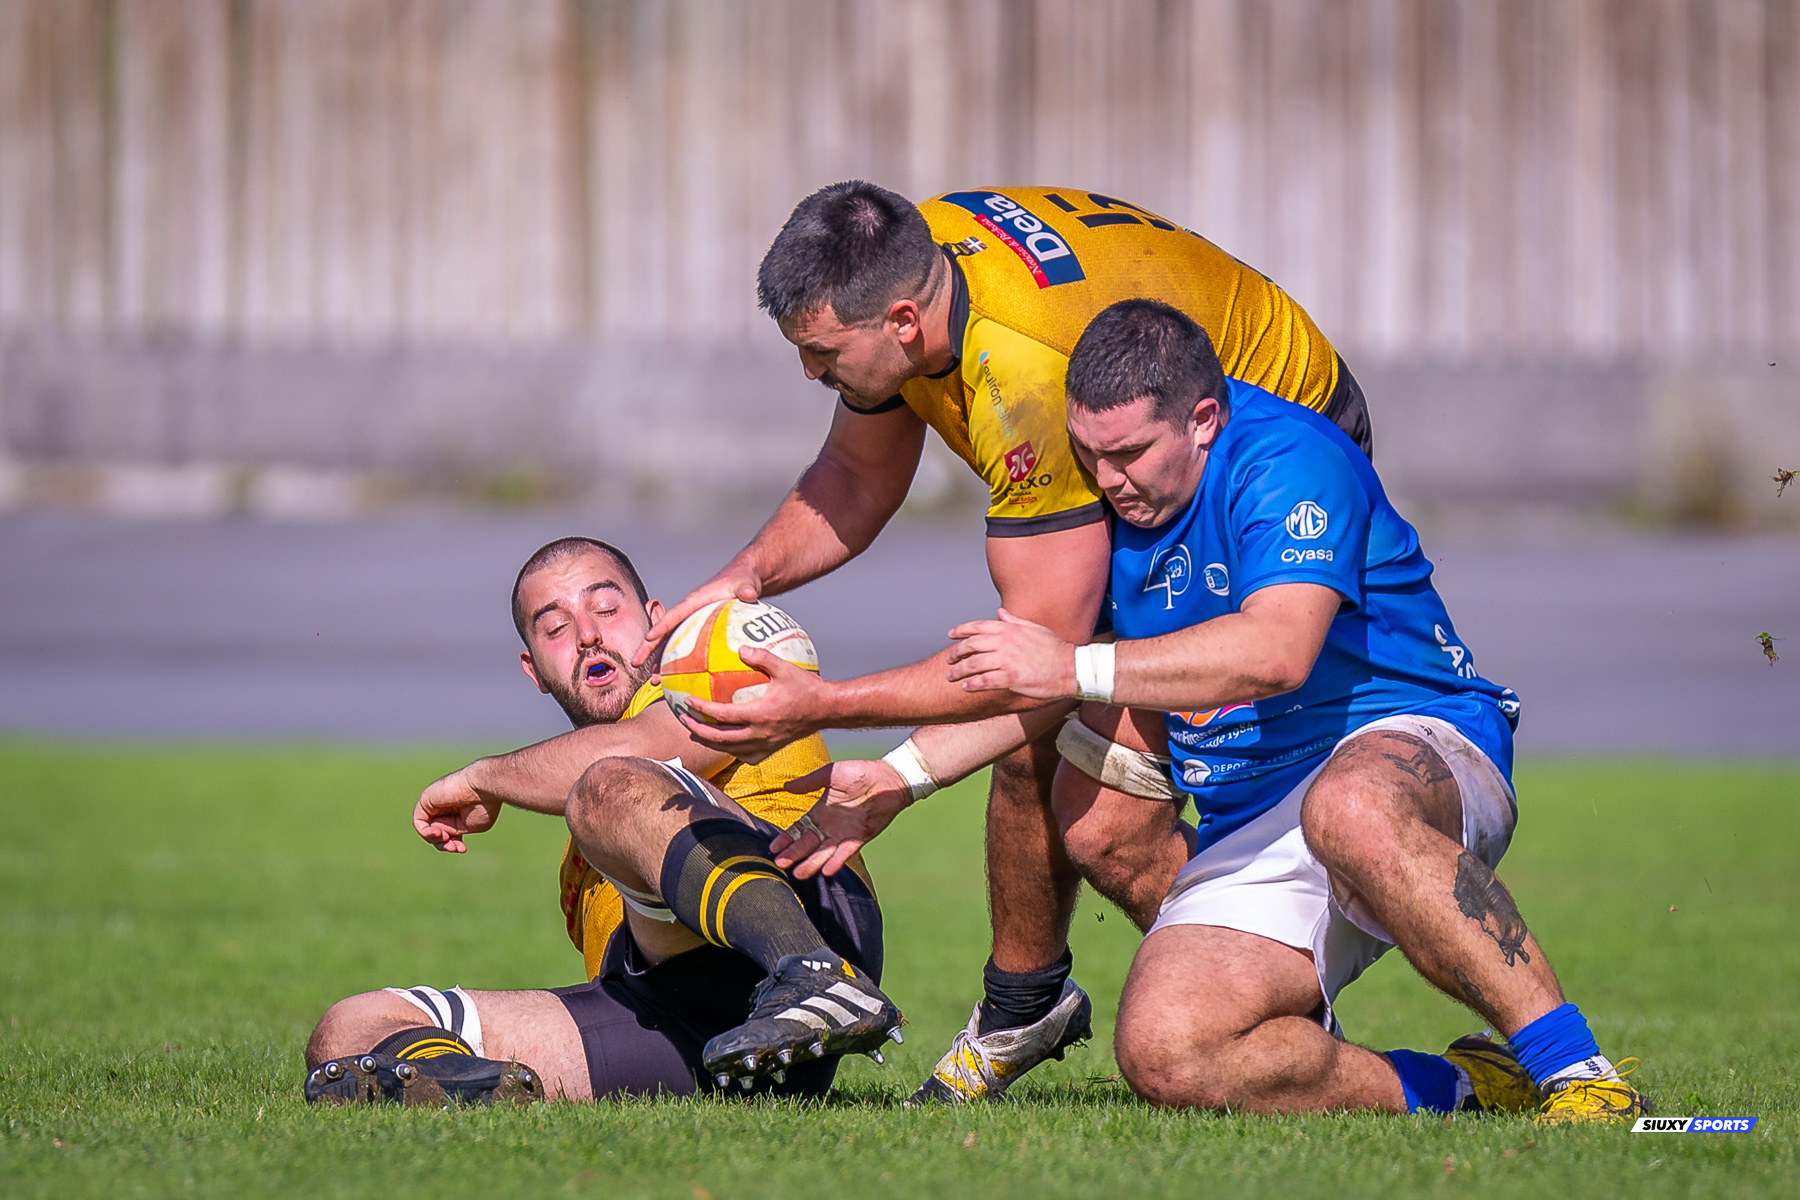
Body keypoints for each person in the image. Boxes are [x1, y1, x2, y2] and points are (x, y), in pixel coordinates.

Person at [637, 181, 1374, 1102]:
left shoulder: (1026, 381)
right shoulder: (915, 255)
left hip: (1255, 435)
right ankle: (1031, 1000)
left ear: (903, 320)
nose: (809, 375)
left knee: (1096, 807)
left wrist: (839, 720)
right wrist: (740, 579)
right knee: (1076, 784)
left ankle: (1278, 1034)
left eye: (821, 353)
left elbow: (1036, 665)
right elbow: (859, 473)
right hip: (1159, 404)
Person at [856, 299, 1645, 1122]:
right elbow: (1030, 683)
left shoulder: (1288, 458)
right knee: (1167, 1051)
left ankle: (1577, 1074)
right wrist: (892, 776)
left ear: (1203, 419)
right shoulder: (1103, 496)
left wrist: (1073, 664)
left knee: (1349, 808)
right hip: (1260, 815)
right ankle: (1467, 1088)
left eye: (1129, 454)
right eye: (1091, 453)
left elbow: (1276, 653)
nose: (1108, 479)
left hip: (1415, 745)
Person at [302, 538, 896, 1105]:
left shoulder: (713, 678)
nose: (587, 635)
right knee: (352, 1029)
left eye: (607, 608)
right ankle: (472, 1096)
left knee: (608, 784)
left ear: (658, 623)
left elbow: (638, 754)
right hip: (688, 1030)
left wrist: (484, 777)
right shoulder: (581, 854)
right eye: (555, 628)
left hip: (814, 910)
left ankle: (813, 975)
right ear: (534, 670)